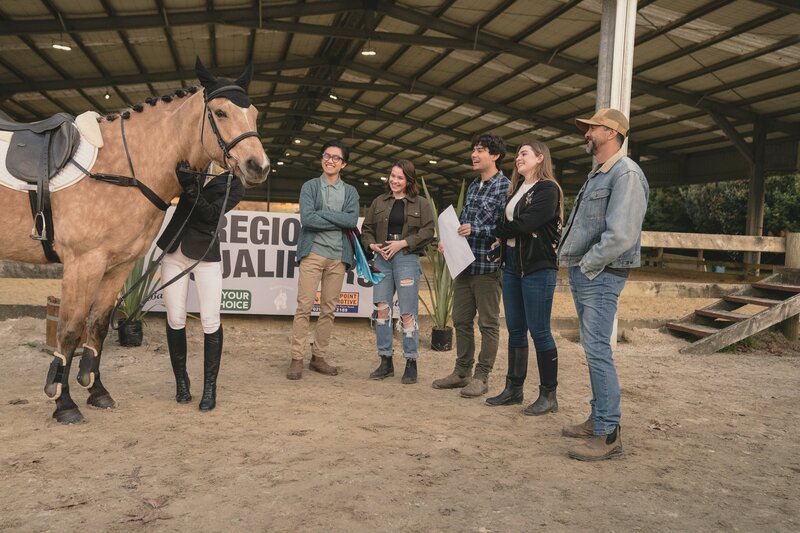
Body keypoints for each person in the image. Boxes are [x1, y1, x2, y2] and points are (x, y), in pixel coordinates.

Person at [558, 108, 649, 461]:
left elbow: (622, 234)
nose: (587, 133)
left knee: (597, 350)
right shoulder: (600, 173)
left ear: (611, 133)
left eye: (593, 128)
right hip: (590, 272)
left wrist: (588, 263)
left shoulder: (625, 174)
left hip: (601, 273)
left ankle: (609, 433)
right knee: (593, 348)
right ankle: (598, 420)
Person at [159, 161, 244, 412]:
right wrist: (183, 179)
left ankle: (209, 387)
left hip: (206, 255)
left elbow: (210, 215)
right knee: (175, 318)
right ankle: (181, 382)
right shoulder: (194, 166)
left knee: (210, 320)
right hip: (174, 250)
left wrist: (192, 190)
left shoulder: (235, 185)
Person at [486, 140, 562, 415]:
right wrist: (503, 238)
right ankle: (513, 389)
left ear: (540, 158)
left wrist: (500, 230)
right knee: (516, 330)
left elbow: (526, 223)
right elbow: (513, 226)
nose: (518, 157)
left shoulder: (547, 189)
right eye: (518, 154)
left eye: (524, 153)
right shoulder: (517, 189)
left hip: (537, 267)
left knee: (540, 331)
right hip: (513, 267)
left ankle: (548, 395)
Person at [432, 134, 510, 398]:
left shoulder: (505, 187)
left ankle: (482, 376)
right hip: (463, 265)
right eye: (473, 150)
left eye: (480, 150)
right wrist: (448, 241)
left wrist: (476, 229)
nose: (474, 155)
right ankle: (461, 372)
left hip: (488, 267)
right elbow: (461, 225)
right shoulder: (475, 186)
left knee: (488, 324)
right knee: (461, 320)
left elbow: (505, 227)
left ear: (495, 155)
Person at [287, 140, 359, 380]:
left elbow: (351, 221)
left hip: (338, 257)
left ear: (343, 164)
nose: (330, 160)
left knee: (328, 310)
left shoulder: (350, 192)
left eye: (336, 158)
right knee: (304, 307)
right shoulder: (310, 186)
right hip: (313, 253)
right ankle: (297, 358)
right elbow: (307, 219)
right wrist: (337, 218)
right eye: (327, 156)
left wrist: (325, 215)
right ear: (322, 159)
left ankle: (319, 357)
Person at [361, 160, 434, 384]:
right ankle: (385, 361)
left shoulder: (421, 203)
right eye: (392, 176)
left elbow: (429, 230)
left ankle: (411, 362)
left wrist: (403, 243)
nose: (394, 181)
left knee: (407, 313)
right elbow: (367, 229)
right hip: (382, 260)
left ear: (409, 181)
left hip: (406, 259)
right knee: (382, 310)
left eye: (400, 178)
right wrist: (372, 245)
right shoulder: (379, 201)